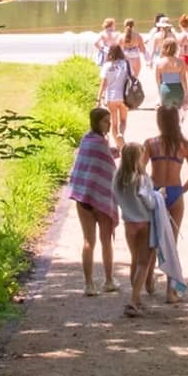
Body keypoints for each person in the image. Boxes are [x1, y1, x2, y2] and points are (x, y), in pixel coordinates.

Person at [143, 105, 188, 303]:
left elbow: (140, 169)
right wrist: (182, 190)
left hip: (156, 192)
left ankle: (148, 281)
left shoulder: (150, 143)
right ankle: (170, 291)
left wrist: (149, 186)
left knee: (152, 239)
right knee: (171, 243)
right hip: (174, 192)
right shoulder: (184, 145)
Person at [68, 107, 121, 296]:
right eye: (105, 121)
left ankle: (88, 284)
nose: (109, 124)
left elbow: (87, 164)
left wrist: (114, 150)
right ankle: (108, 280)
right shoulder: (100, 143)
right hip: (101, 198)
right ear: (96, 122)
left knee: (88, 240)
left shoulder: (86, 140)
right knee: (105, 240)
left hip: (83, 195)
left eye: (109, 121)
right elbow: (109, 169)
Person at [113, 142, 158, 316]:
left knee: (134, 259)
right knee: (143, 262)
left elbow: (116, 198)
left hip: (128, 222)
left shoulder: (117, 178)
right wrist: (158, 196)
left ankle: (136, 298)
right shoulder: (141, 178)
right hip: (143, 222)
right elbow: (149, 201)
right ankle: (133, 300)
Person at [96, 44, 134, 142]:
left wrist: (98, 98)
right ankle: (121, 134)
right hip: (124, 97)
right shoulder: (126, 63)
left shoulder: (107, 65)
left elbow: (103, 83)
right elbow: (132, 77)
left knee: (114, 123)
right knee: (123, 120)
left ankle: (118, 144)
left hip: (111, 97)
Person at [152, 39, 188, 117]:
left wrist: (159, 94)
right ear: (175, 49)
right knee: (177, 114)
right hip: (178, 89)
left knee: (166, 115)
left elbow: (158, 81)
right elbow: (183, 80)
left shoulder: (159, 63)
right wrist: (186, 94)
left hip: (165, 89)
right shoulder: (180, 62)